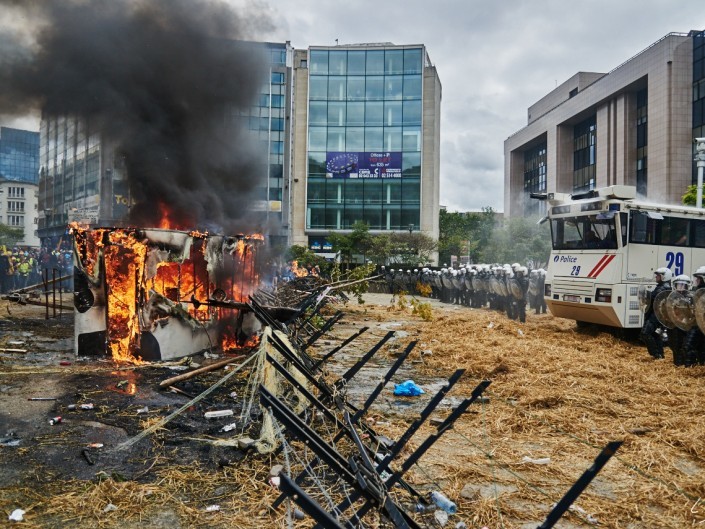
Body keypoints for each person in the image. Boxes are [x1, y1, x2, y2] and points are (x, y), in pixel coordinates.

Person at [640, 267, 672, 359]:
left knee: (645, 333)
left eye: (658, 275)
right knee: (655, 334)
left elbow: (654, 297)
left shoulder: (664, 288)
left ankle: (656, 354)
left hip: (656, 315)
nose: (656, 277)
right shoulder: (661, 286)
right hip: (656, 314)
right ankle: (660, 355)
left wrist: (645, 293)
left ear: (664, 277)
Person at [683, 266, 705, 366]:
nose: (696, 281)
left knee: (689, 346)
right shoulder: (696, 291)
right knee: (699, 348)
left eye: (699, 279)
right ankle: (695, 368)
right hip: (696, 323)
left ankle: (692, 368)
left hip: (700, 325)